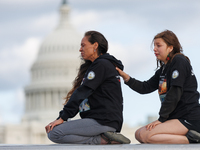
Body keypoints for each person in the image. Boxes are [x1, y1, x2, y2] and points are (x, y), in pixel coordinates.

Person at [45, 30, 131, 145]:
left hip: (102, 120)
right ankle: (105, 137)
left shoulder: (101, 65)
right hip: (103, 120)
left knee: (54, 133)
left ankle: (101, 139)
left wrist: (63, 117)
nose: (80, 49)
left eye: (83, 45)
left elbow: (82, 92)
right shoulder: (99, 65)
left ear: (95, 45)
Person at [116, 30, 200, 144]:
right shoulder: (163, 70)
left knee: (146, 136)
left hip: (188, 117)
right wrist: (126, 77)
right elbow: (145, 87)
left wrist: (161, 118)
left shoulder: (179, 61)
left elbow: (175, 92)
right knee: (138, 134)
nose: (154, 49)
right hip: (175, 118)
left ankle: (192, 139)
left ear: (170, 47)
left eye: (158, 45)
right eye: (154, 45)